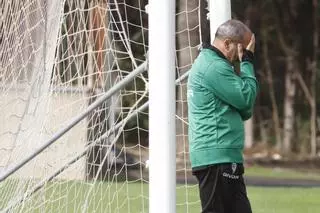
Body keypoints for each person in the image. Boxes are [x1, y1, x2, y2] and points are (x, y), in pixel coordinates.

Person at [187, 19, 258, 213]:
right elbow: (246, 99)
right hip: (217, 157)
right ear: (227, 43)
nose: (243, 54)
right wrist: (248, 61)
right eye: (243, 48)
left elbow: (245, 108)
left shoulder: (216, 65)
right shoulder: (215, 67)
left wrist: (243, 100)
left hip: (223, 157)